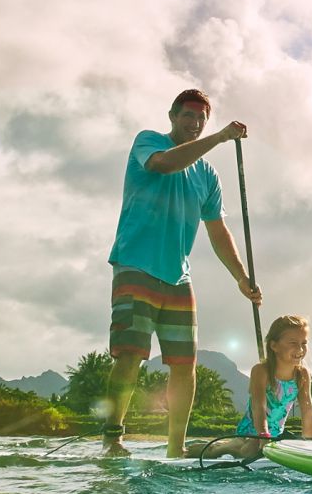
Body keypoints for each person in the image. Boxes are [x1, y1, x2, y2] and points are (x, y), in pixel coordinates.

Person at [102, 89, 262, 457]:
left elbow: (218, 231)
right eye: (188, 116)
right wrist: (220, 137)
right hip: (135, 264)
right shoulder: (149, 142)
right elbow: (164, 165)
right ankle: (113, 438)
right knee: (130, 354)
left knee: (185, 363)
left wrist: (240, 277)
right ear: (173, 116)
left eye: (201, 119)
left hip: (178, 276)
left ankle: (175, 448)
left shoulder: (208, 175)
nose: (194, 123)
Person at [189, 315, 312, 460]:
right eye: (293, 343)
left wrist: (309, 445)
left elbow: (308, 410)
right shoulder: (261, 371)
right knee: (250, 450)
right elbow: (258, 407)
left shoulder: (302, 374)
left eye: (304, 343)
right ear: (274, 346)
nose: (300, 348)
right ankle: (218, 448)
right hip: (249, 432)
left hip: (275, 435)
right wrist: (262, 435)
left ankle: (231, 444)